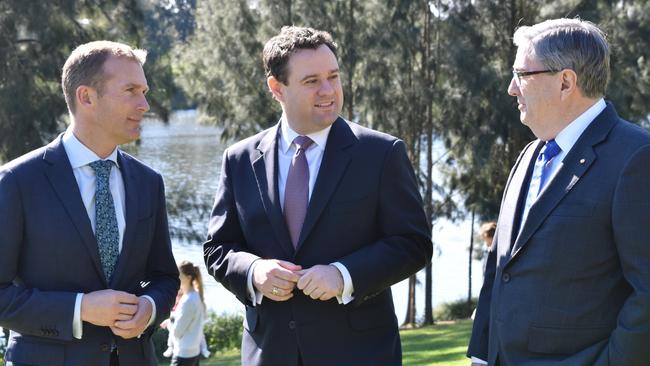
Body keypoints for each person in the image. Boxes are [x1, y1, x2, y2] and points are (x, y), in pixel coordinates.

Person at [203, 26, 432, 366]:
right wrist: (253, 271)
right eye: (312, 81)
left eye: (333, 77)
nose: (328, 91)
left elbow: (412, 243)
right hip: (269, 353)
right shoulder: (240, 159)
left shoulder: (381, 153)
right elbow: (217, 248)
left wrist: (344, 275)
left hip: (360, 355)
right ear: (276, 88)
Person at [467, 18, 650, 366]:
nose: (511, 88)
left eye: (522, 74)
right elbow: (500, 268)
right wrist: (481, 354)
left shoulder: (637, 157)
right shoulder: (528, 155)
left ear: (566, 82)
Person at [0, 41, 180, 365]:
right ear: (87, 97)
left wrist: (149, 308)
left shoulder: (149, 182)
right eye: (131, 90)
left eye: (144, 91)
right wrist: (80, 309)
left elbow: (165, 277)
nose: (145, 104)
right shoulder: (16, 182)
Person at [165, 261, 208, 366]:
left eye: (178, 275)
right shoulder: (196, 296)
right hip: (193, 353)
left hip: (183, 355)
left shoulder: (188, 300)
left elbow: (177, 332)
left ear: (188, 278)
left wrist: (168, 322)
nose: (176, 278)